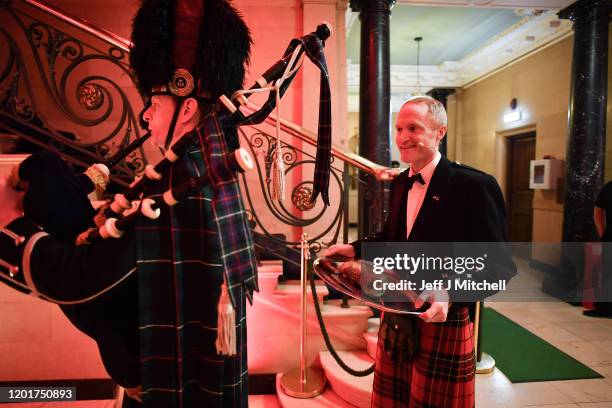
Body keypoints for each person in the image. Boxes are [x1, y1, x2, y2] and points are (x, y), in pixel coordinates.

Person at [0, 1, 257, 407]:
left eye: (154, 105)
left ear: (187, 108)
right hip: (192, 374)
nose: (145, 116)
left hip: (168, 385)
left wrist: (10, 225)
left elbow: (84, 279)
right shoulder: (204, 169)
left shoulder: (181, 186)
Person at [325, 95, 516, 407]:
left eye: (413, 127)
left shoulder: (473, 185)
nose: (402, 137)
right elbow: (394, 238)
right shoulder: (402, 182)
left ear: (440, 132)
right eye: (399, 129)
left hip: (442, 320)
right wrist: (353, 248)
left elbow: (499, 266)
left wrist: (449, 293)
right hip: (398, 307)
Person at [585, 181, 612, 318]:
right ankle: (606, 308)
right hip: (609, 237)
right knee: (607, 273)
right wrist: (602, 232)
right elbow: (598, 210)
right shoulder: (609, 188)